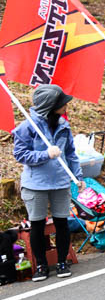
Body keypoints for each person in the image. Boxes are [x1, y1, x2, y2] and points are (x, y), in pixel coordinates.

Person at [13, 85, 83, 281]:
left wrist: (78, 176)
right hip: (36, 184)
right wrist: (45, 154)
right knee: (37, 225)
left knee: (62, 223)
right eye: (62, 103)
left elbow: (71, 153)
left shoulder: (63, 125)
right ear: (50, 106)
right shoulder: (27, 127)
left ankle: (62, 262)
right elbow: (20, 154)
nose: (66, 106)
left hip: (60, 182)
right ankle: (41, 266)